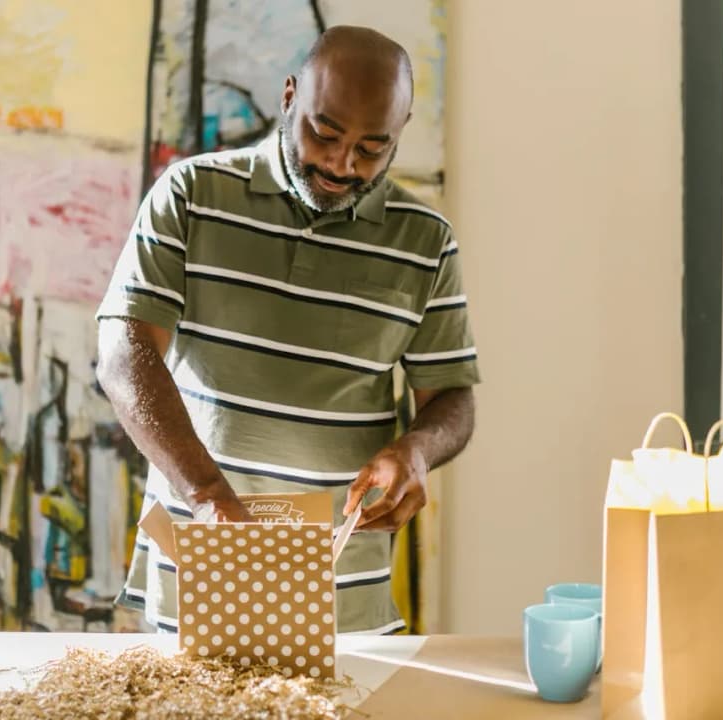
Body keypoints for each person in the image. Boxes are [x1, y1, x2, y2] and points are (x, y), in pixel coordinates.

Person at [95, 25, 479, 636]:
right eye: (324, 132)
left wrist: (417, 450)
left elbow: (452, 396)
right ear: (289, 97)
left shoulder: (426, 242)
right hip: (202, 571)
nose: (341, 163)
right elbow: (124, 356)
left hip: (344, 599)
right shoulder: (191, 195)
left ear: (398, 136)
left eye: (371, 149)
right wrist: (206, 496)